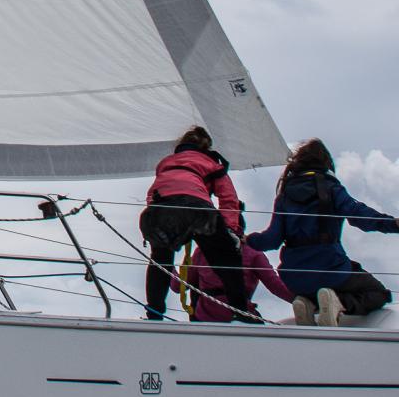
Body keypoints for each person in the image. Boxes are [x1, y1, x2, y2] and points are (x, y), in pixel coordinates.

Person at [247, 138, 399, 326]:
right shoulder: (331, 188)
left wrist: (248, 240)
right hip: (329, 269)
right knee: (379, 293)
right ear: (325, 162)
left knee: (322, 286)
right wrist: (393, 224)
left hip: (294, 278)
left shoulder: (284, 196)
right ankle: (340, 304)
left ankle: (309, 305)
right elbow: (359, 215)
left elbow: (271, 239)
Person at [139, 126, 254, 321]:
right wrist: (231, 230)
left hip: (161, 209)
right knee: (226, 259)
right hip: (198, 208)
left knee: (161, 259)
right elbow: (229, 199)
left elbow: (155, 190)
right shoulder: (212, 163)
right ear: (206, 147)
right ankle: (241, 311)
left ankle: (154, 313)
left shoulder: (166, 162)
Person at [171, 242, 293, 323]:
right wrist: (300, 300)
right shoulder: (252, 252)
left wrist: (167, 265)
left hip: (204, 317)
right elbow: (276, 286)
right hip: (241, 316)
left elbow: (178, 286)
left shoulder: (202, 251)